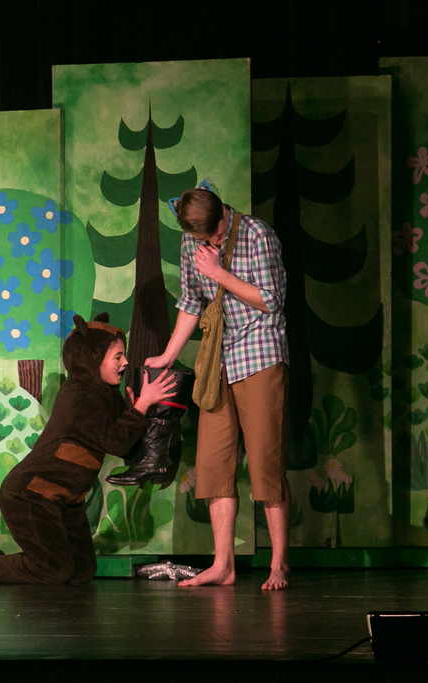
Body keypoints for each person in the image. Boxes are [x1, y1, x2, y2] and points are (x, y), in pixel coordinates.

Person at [0, 313, 177, 584]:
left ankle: (10, 564)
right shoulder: (78, 395)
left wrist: (138, 409)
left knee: (82, 569)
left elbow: (126, 449)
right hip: (30, 495)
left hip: (63, 498)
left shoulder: (103, 394)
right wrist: (141, 406)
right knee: (55, 570)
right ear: (92, 357)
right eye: (117, 356)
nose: (125, 362)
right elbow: (116, 442)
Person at [146, 187, 290, 590]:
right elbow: (192, 301)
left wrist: (219, 272)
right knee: (214, 464)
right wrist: (169, 355)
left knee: (265, 464)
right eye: (203, 239)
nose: (211, 242)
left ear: (224, 214)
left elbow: (271, 300)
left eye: (217, 234)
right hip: (218, 360)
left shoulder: (258, 235)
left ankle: (278, 564)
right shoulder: (190, 241)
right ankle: (223, 564)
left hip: (259, 353)